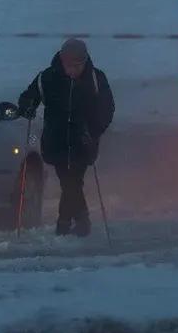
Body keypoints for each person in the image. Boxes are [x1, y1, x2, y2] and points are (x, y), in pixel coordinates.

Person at [18, 39, 116, 236]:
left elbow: (107, 108)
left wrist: (95, 129)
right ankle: (78, 222)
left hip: (84, 141)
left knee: (72, 181)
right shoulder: (46, 78)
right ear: (62, 60)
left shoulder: (96, 78)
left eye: (78, 66)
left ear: (85, 62)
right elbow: (29, 97)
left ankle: (66, 224)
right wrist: (27, 106)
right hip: (57, 140)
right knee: (69, 181)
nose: (73, 70)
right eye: (69, 65)